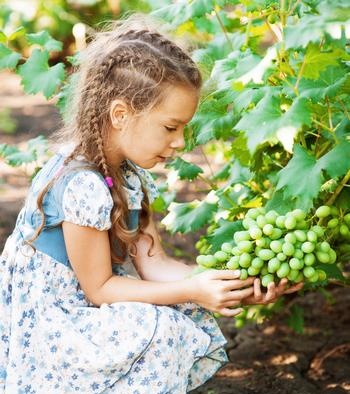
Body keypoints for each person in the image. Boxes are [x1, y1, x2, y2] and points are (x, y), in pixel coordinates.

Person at [0, 14, 303, 394]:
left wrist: (233, 285)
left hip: (81, 311)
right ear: (121, 114)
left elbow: (154, 263)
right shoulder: (81, 183)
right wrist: (193, 291)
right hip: (55, 330)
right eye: (170, 127)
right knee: (162, 328)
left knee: (181, 306)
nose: (180, 143)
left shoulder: (124, 174)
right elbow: (101, 290)